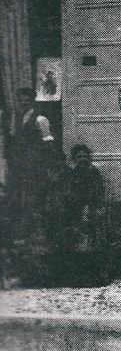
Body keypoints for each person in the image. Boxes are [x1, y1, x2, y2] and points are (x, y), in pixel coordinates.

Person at [2, 87, 59, 286]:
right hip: (19, 173)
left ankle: (38, 265)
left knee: (34, 210)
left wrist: (47, 168)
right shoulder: (14, 119)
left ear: (32, 101)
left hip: (35, 173)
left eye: (27, 100)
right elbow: (11, 143)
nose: (23, 103)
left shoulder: (40, 119)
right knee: (17, 210)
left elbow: (49, 145)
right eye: (21, 100)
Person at [52, 144, 109, 287]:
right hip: (75, 214)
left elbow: (98, 193)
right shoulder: (72, 174)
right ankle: (78, 278)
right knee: (77, 244)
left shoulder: (94, 173)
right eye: (79, 157)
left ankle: (96, 278)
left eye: (85, 156)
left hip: (93, 213)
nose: (82, 159)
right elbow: (69, 194)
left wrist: (90, 210)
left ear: (88, 157)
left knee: (94, 245)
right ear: (74, 159)